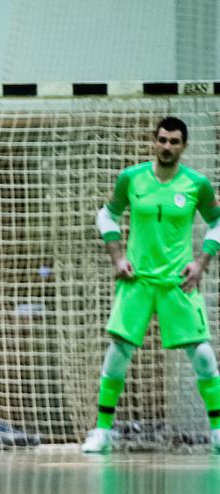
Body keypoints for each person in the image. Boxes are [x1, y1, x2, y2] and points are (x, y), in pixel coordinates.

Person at [83, 116, 220, 455]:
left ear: (183, 146)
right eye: (162, 140)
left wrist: (202, 262)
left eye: (174, 141)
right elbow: (106, 215)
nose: (167, 146)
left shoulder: (197, 184)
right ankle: (102, 432)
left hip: (179, 282)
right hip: (137, 281)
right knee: (118, 353)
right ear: (153, 141)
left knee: (202, 356)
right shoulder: (131, 179)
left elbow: (218, 221)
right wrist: (117, 257)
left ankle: (218, 432)